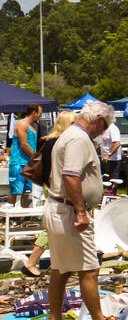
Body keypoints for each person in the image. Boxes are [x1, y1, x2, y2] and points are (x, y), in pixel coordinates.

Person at [44, 101, 128, 320]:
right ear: (96, 118)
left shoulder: (70, 135)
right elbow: (71, 176)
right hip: (70, 212)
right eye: (104, 126)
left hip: (61, 209)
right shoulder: (77, 139)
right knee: (89, 269)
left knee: (60, 270)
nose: (104, 132)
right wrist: (81, 212)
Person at [21, 112, 74, 277]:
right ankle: (32, 262)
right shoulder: (60, 142)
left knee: (60, 225)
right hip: (58, 188)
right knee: (55, 226)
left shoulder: (50, 141)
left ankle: (61, 263)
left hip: (50, 186)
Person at [8, 104, 41, 207]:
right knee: (15, 190)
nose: (41, 115)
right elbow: (24, 145)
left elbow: (33, 143)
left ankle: (25, 216)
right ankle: (9, 215)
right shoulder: (21, 124)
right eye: (40, 113)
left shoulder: (34, 125)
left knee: (28, 191)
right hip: (18, 162)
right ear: (34, 112)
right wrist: (36, 157)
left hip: (29, 162)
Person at [97, 115, 123, 182]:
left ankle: (113, 191)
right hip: (105, 159)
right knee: (105, 179)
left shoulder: (113, 129)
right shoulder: (105, 129)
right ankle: (106, 192)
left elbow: (117, 143)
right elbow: (104, 143)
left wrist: (109, 155)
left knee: (112, 180)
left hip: (113, 160)